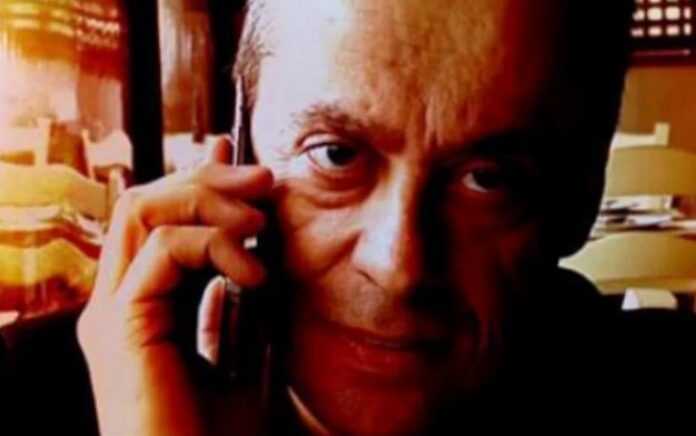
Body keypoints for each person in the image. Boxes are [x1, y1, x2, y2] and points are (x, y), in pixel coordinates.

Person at [73, 0, 696, 435]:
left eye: (487, 179)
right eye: (336, 156)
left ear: (582, 195)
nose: (399, 266)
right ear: (238, 146)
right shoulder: (82, 391)